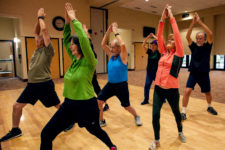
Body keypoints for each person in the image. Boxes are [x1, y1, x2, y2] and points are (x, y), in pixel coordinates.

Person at [40, 3, 117, 150]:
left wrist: (75, 19)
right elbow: (66, 37)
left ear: (80, 46)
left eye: (73, 45)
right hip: (68, 106)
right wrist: (67, 20)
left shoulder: (90, 61)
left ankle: (112, 146)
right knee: (46, 134)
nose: (70, 46)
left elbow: (83, 40)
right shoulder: (75, 60)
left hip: (86, 106)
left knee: (95, 130)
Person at [0, 8, 61, 142]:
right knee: (16, 106)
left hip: (45, 84)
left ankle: (69, 120)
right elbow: (36, 31)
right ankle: (16, 130)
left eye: (41, 38)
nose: (38, 38)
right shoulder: (36, 50)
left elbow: (44, 31)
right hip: (32, 85)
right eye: (38, 38)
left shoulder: (48, 50)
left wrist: (41, 18)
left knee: (58, 106)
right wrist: (38, 19)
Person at [149, 5, 186, 150]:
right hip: (158, 88)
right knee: (155, 114)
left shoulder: (179, 54)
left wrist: (171, 17)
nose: (169, 41)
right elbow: (159, 37)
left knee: (176, 112)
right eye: (168, 40)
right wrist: (161, 19)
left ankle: (180, 131)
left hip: (172, 90)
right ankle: (157, 141)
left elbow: (176, 35)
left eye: (172, 41)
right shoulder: (163, 53)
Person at [97, 22, 142, 127]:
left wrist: (116, 32)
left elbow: (122, 44)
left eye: (112, 48)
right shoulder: (111, 56)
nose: (111, 49)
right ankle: (101, 120)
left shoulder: (123, 57)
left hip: (121, 86)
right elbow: (103, 44)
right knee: (99, 101)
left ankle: (136, 116)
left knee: (126, 107)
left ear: (118, 49)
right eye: (111, 47)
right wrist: (108, 32)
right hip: (110, 85)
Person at [181, 12, 218, 120]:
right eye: (197, 38)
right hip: (193, 73)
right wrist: (193, 23)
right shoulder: (193, 46)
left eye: (200, 38)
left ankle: (209, 107)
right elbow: (187, 36)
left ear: (205, 39)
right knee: (187, 91)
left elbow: (210, 33)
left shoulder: (208, 46)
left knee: (207, 92)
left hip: (204, 73)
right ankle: (183, 111)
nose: (198, 39)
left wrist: (200, 22)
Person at [83, 24, 109, 112]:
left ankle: (104, 104)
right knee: (93, 89)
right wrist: (85, 31)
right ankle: (101, 104)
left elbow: (88, 41)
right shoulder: (91, 51)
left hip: (91, 74)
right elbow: (89, 39)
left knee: (96, 89)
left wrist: (85, 31)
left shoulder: (91, 54)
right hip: (89, 74)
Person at [141, 33, 161, 105]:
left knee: (159, 87)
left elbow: (161, 42)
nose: (152, 46)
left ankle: (163, 98)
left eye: (154, 45)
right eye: (152, 45)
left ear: (157, 46)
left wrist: (154, 36)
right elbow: (143, 45)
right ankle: (146, 100)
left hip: (156, 73)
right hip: (149, 72)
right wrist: (147, 37)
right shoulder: (149, 51)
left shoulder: (159, 52)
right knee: (147, 86)